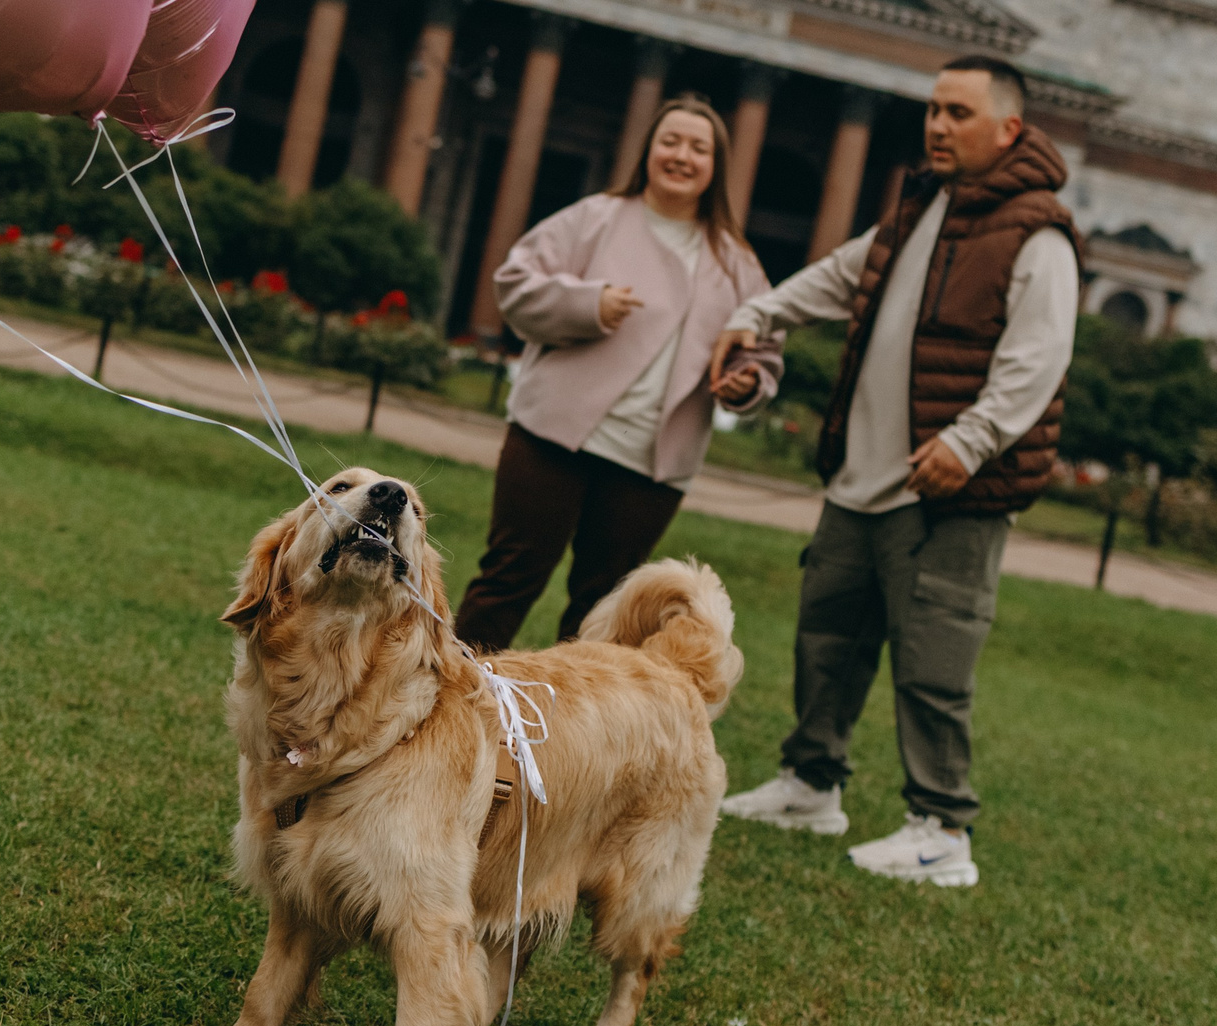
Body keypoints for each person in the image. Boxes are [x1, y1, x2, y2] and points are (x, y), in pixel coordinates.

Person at [707, 56, 1078, 888]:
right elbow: (845, 276)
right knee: (827, 635)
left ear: (1008, 129)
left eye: (958, 112)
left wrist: (969, 442)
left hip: (950, 487)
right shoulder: (922, 208)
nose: (937, 125)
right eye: (933, 109)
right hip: (862, 477)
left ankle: (941, 829)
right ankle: (811, 784)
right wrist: (757, 312)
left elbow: (1036, 361)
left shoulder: (1038, 231)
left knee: (934, 660)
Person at [454, 96, 784, 650]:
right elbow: (515, 283)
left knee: (604, 611)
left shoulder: (737, 263)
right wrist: (588, 305)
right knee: (507, 580)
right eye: (670, 142)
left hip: (649, 467)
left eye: (698, 148)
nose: (682, 156)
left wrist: (749, 381)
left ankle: (575, 732)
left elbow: (764, 349)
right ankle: (444, 709)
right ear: (648, 150)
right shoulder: (595, 217)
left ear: (715, 167)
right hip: (551, 437)